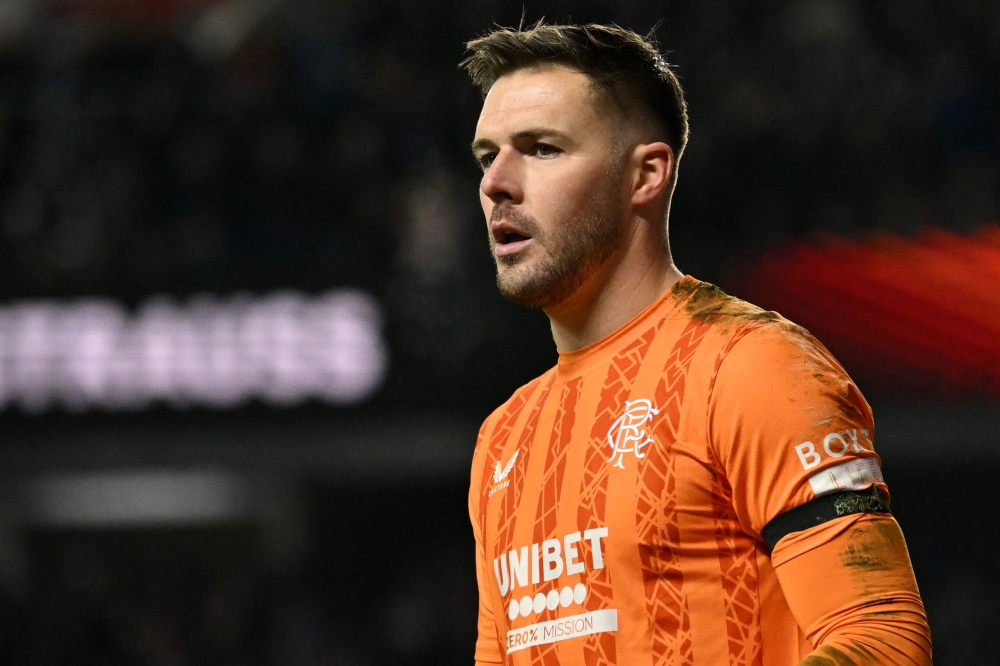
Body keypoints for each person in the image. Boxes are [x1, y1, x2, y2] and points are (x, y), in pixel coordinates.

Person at [461, 22, 932, 666]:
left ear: (646, 175)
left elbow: (883, 641)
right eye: (488, 156)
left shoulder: (753, 366)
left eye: (541, 148)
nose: (496, 183)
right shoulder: (503, 438)